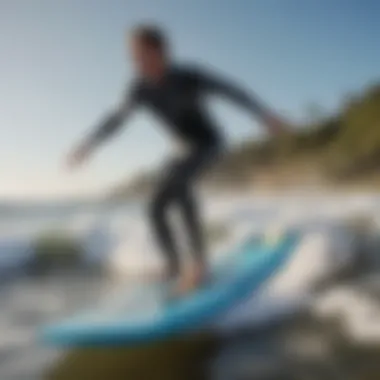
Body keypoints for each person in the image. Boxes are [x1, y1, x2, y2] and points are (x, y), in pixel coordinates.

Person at [66, 24, 287, 297]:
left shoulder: (189, 76)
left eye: (142, 55)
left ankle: (199, 265)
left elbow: (231, 91)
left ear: (162, 52)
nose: (137, 63)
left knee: (180, 183)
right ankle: (172, 266)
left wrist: (264, 114)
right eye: (133, 57)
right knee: (155, 207)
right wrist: (89, 145)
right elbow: (116, 119)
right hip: (182, 149)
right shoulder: (139, 88)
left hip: (209, 142)